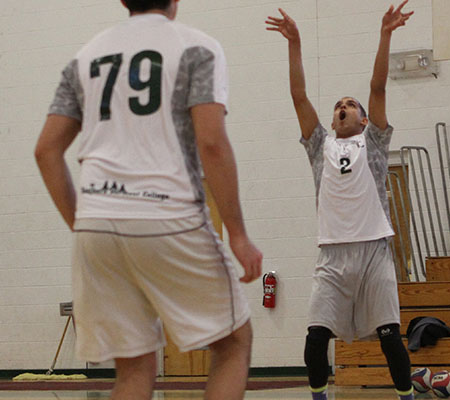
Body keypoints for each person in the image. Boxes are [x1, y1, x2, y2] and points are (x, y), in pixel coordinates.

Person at [34, 1, 262, 399]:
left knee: (134, 370)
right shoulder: (198, 47)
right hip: (167, 212)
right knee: (232, 343)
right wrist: (239, 235)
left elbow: (46, 151)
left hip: (96, 220)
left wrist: (83, 223)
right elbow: (211, 141)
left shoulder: (86, 56)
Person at [266, 2, 415, 400]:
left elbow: (378, 88)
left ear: (365, 120)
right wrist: (294, 43)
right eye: (338, 106)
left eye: (350, 105)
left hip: (373, 253)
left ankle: (407, 396)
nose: (342, 107)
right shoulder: (320, 146)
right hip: (331, 256)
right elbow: (298, 96)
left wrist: (385, 36)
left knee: (390, 340)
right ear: (332, 123)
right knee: (315, 342)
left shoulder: (375, 143)